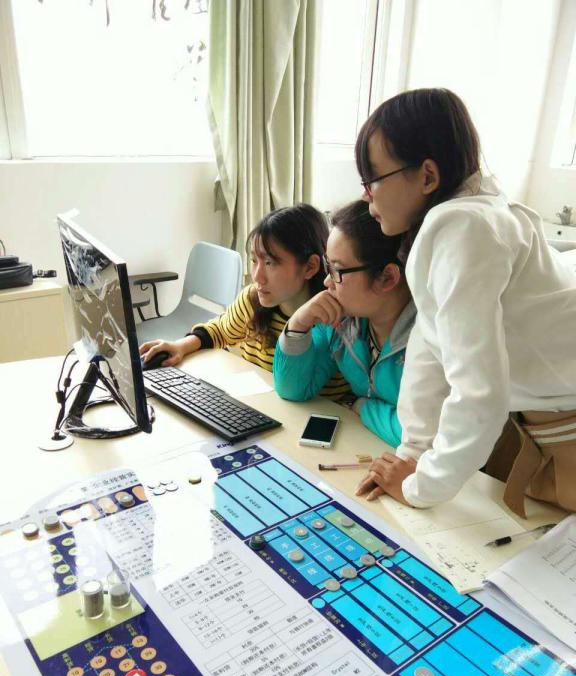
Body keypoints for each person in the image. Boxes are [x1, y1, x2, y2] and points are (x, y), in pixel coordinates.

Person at [354, 87, 576, 513]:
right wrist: (412, 454)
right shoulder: (462, 219)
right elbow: (430, 344)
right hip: (539, 424)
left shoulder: (464, 228)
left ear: (427, 176)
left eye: (372, 179)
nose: (366, 195)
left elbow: (479, 393)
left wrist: (420, 487)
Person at [139, 203, 350, 401]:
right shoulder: (252, 300)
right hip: (264, 409)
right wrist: (180, 346)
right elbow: (219, 331)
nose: (257, 276)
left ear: (310, 267)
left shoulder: (335, 319)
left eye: (270, 263)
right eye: (254, 261)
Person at [273, 199, 415, 446]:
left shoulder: (429, 338)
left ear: (387, 277)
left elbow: (423, 436)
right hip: (370, 449)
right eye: (327, 266)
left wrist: (362, 406)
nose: (327, 282)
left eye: (337, 271)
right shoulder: (343, 322)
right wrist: (298, 324)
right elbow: (293, 389)